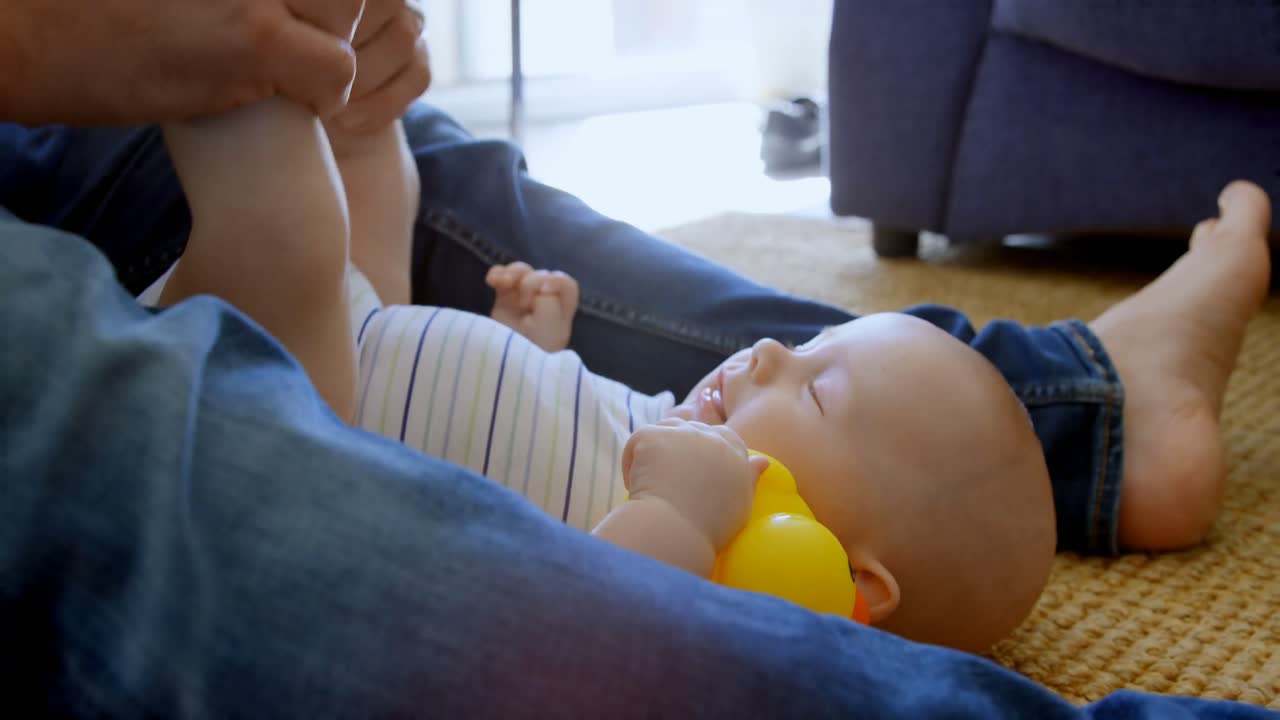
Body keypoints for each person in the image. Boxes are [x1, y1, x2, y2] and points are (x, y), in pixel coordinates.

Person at [2, 0, 1276, 715]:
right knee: (343, 200)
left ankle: (251, 106)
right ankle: (1085, 407)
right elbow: (543, 444)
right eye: (801, 352)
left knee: (330, 187)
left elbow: (602, 594)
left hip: (323, 389)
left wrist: (665, 502)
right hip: (359, 357)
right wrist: (532, 350)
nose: (776, 351)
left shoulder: (741, 564)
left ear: (855, 592)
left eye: (817, 379)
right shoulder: (708, 453)